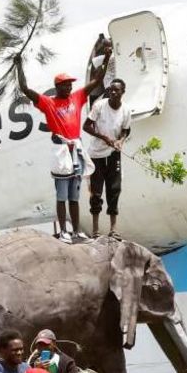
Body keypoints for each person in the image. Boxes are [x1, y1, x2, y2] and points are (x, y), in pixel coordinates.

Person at [16, 37, 112, 243]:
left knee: (74, 197)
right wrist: (19, 66)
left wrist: (106, 57)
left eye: (70, 85)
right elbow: (25, 88)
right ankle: (63, 232)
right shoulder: (48, 103)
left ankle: (76, 232)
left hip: (76, 149)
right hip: (61, 151)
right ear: (58, 86)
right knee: (62, 195)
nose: (69, 88)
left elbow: (97, 80)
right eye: (66, 85)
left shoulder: (77, 98)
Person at [83, 78, 131, 238]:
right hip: (96, 154)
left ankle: (113, 229)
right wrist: (103, 137)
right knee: (96, 193)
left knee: (114, 190)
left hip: (113, 154)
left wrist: (120, 141)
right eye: (111, 90)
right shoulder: (99, 106)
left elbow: (126, 130)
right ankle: (95, 230)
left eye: (117, 90)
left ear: (123, 92)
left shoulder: (126, 110)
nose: (113, 92)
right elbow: (86, 126)